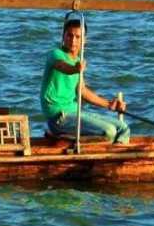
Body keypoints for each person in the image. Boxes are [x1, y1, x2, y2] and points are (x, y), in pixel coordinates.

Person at [42, 15, 129, 143]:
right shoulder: (55, 54)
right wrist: (75, 69)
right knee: (109, 131)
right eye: (69, 36)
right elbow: (62, 66)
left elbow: (82, 91)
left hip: (74, 111)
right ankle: (62, 136)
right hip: (58, 117)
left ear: (84, 40)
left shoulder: (78, 60)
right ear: (63, 37)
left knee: (123, 128)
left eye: (78, 37)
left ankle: (116, 157)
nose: (73, 41)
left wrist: (109, 104)